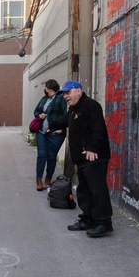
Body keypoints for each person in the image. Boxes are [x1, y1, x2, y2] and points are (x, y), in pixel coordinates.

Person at [51, 80, 113, 237]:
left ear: (78, 91)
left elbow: (98, 128)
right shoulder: (74, 109)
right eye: (64, 94)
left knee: (97, 190)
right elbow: (64, 121)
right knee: (84, 190)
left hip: (94, 157)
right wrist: (51, 126)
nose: (65, 96)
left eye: (68, 92)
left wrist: (92, 147)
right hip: (82, 158)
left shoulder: (90, 106)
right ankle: (88, 219)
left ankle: (104, 222)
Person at [33, 79, 68, 191]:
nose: (44, 89)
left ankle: (48, 179)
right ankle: (39, 180)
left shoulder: (60, 98)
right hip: (42, 132)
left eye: (45, 86)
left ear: (50, 87)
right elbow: (36, 111)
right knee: (41, 155)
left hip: (55, 133)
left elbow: (64, 115)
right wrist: (40, 115)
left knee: (51, 156)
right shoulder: (44, 99)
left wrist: (62, 129)